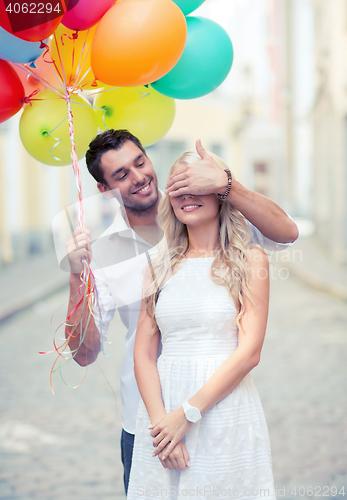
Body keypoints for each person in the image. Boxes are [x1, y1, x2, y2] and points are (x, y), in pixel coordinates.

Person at [65, 129, 298, 495]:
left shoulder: (236, 238)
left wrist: (225, 185)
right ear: (105, 189)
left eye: (140, 162)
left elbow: (288, 232)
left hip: (221, 409)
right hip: (149, 420)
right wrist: (77, 277)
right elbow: (83, 353)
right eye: (122, 174)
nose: (139, 176)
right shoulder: (120, 256)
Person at [126, 149, 276, 499]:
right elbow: (143, 355)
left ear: (219, 193)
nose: (187, 195)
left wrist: (188, 414)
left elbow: (250, 352)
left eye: (198, 184)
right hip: (163, 414)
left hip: (223, 410)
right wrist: (162, 426)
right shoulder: (157, 265)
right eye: (178, 187)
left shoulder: (250, 259)